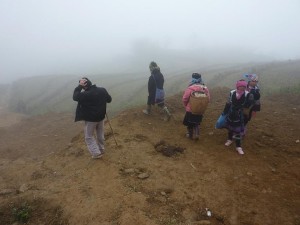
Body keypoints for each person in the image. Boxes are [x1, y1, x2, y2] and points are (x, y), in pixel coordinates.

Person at [73, 77, 112, 159]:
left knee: (89, 136)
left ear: (83, 86)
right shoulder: (102, 90)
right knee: (100, 133)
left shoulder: (85, 94)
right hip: (101, 117)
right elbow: (109, 100)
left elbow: (75, 96)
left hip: (91, 120)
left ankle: (96, 153)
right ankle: (101, 149)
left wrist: (79, 86)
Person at [222, 79, 254, 155]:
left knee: (238, 131)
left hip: (240, 115)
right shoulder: (232, 92)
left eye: (244, 86)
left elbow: (249, 105)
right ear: (237, 86)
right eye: (241, 86)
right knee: (230, 128)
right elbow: (228, 103)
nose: (242, 88)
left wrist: (245, 112)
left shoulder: (247, 94)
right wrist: (224, 112)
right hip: (231, 113)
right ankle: (229, 139)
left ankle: (238, 146)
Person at [182, 73, 210, 139]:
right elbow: (208, 99)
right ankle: (197, 134)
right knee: (197, 122)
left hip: (191, 109)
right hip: (200, 109)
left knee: (189, 123)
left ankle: (190, 135)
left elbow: (185, 98)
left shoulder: (190, 88)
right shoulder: (205, 88)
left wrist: (186, 105)